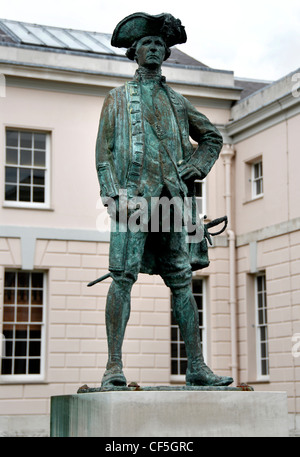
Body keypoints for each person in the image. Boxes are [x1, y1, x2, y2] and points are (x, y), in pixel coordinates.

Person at [96, 12, 233, 387]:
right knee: (122, 278)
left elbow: (212, 137)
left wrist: (197, 166)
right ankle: (113, 367)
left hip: (174, 201)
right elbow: (104, 154)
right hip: (133, 202)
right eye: (147, 44)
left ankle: (197, 367)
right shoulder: (118, 99)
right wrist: (113, 197)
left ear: (165, 53)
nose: (154, 48)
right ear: (135, 53)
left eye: (159, 44)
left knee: (182, 281)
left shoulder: (178, 101)